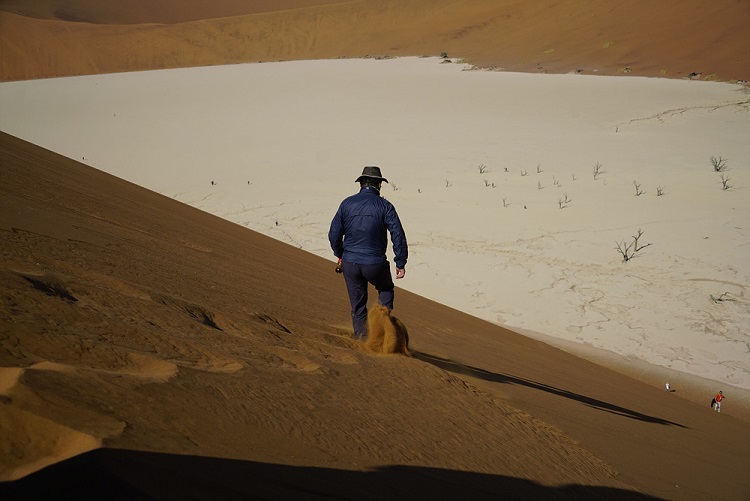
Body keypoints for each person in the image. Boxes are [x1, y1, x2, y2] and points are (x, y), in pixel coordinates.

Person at [328, 166, 408, 340]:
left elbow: (334, 233)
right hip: (375, 263)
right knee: (385, 289)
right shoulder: (386, 206)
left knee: (358, 306)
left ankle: (363, 339)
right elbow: (398, 235)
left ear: (361, 184)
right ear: (379, 185)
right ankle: (382, 327)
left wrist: (340, 254)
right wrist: (400, 262)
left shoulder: (346, 203)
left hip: (350, 263)